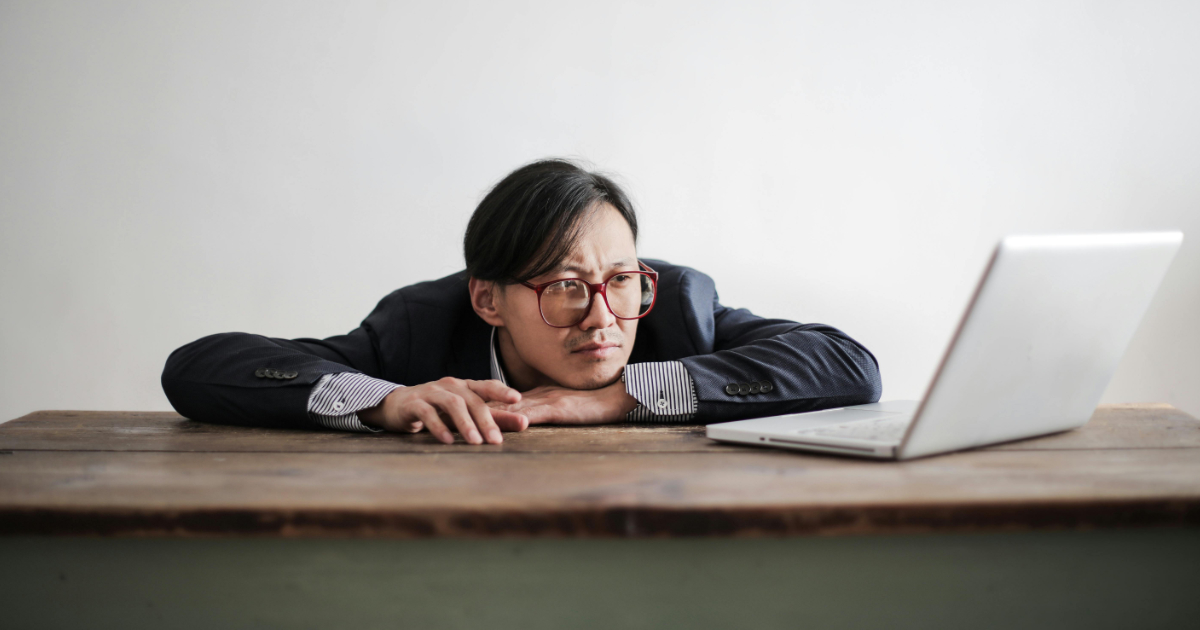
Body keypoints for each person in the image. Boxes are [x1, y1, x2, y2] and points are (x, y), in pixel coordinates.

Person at [161, 159, 881, 445]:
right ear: (487, 299)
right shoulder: (420, 328)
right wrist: (386, 401)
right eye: (566, 287)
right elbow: (196, 368)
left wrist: (619, 397)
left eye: (621, 279)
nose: (604, 316)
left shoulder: (677, 307)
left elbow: (850, 365)